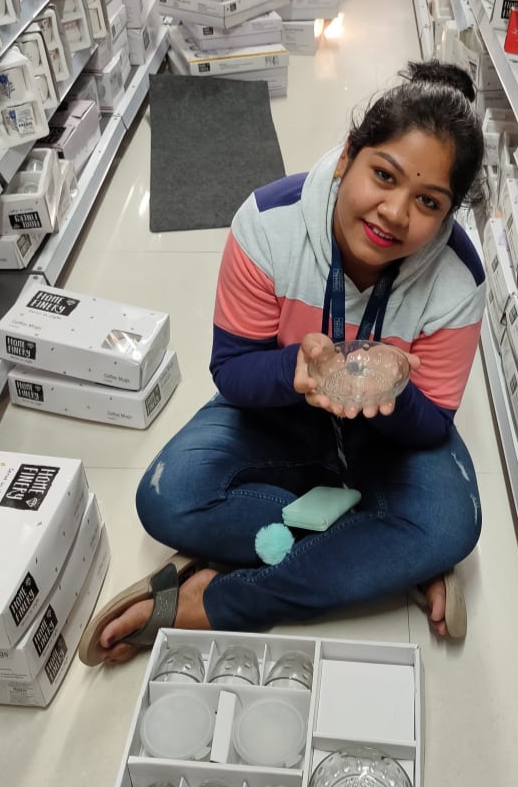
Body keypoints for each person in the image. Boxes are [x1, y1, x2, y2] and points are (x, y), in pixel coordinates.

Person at [78, 60, 488, 667]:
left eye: (427, 201)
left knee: (452, 525)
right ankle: (387, 553)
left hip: (387, 443)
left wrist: (395, 390)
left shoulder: (457, 278)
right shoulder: (269, 224)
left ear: (448, 213)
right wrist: (294, 368)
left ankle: (216, 599)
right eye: (383, 175)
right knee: (168, 500)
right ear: (347, 156)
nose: (395, 213)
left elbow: (433, 423)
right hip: (278, 418)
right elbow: (232, 369)